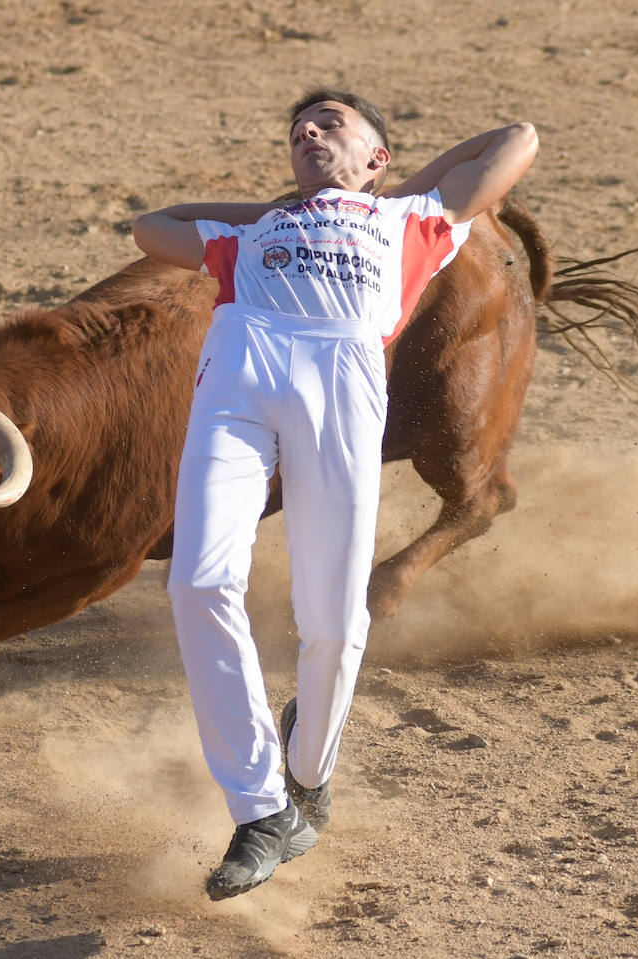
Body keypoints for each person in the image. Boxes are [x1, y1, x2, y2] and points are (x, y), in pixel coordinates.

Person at [132, 89, 538, 901]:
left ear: (377, 157)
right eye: (297, 131)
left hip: (343, 386)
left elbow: (516, 138)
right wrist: (288, 205)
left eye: (331, 125)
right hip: (239, 387)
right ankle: (259, 807)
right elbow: (152, 225)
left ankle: (307, 775)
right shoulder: (248, 233)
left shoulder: (417, 217)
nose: (308, 132)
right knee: (198, 579)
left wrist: (381, 193)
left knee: (335, 620)